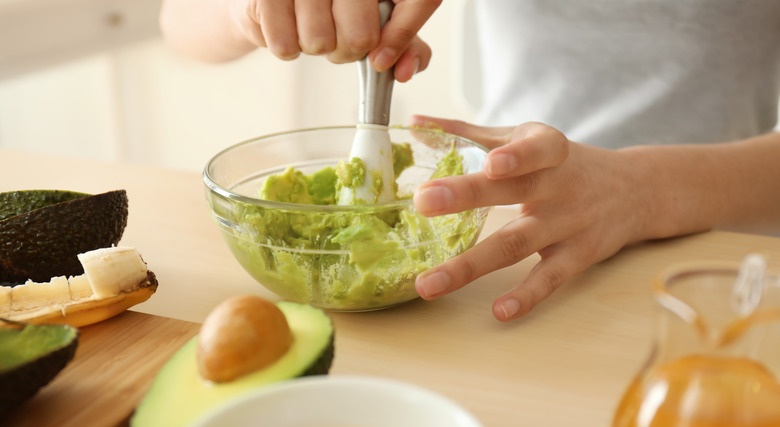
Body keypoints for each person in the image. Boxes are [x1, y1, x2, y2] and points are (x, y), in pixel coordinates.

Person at [159, 0, 780, 322]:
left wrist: (642, 190)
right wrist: (246, 11)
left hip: (726, 251)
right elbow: (178, 20)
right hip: (505, 236)